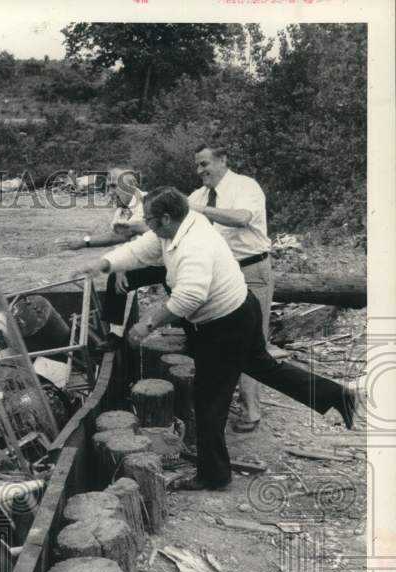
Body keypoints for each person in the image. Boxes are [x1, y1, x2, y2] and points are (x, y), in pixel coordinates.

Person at [77, 187, 358, 491]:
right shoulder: (179, 225)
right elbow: (141, 249)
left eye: (150, 219)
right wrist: (105, 263)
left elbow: (189, 297)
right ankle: (335, 395)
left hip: (224, 325)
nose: (147, 225)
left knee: (209, 400)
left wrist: (147, 324)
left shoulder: (193, 245)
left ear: (167, 218)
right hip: (239, 309)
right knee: (265, 369)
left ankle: (213, 474)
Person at [189, 145, 273, 433]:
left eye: (205, 164)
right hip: (219, 276)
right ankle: (220, 405)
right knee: (219, 338)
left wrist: (198, 210)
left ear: (223, 160)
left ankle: (251, 409)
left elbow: (241, 218)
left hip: (251, 270)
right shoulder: (197, 195)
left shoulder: (245, 186)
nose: (200, 171)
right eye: (197, 166)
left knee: (253, 342)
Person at [57, 168, 153, 350]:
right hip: (150, 259)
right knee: (115, 282)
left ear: (131, 185)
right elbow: (118, 237)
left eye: (113, 186)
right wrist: (84, 243)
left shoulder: (147, 203)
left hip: (169, 258)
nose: (109, 193)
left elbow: (132, 238)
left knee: (181, 295)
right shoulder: (122, 209)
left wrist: (120, 267)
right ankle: (115, 335)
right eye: (108, 187)